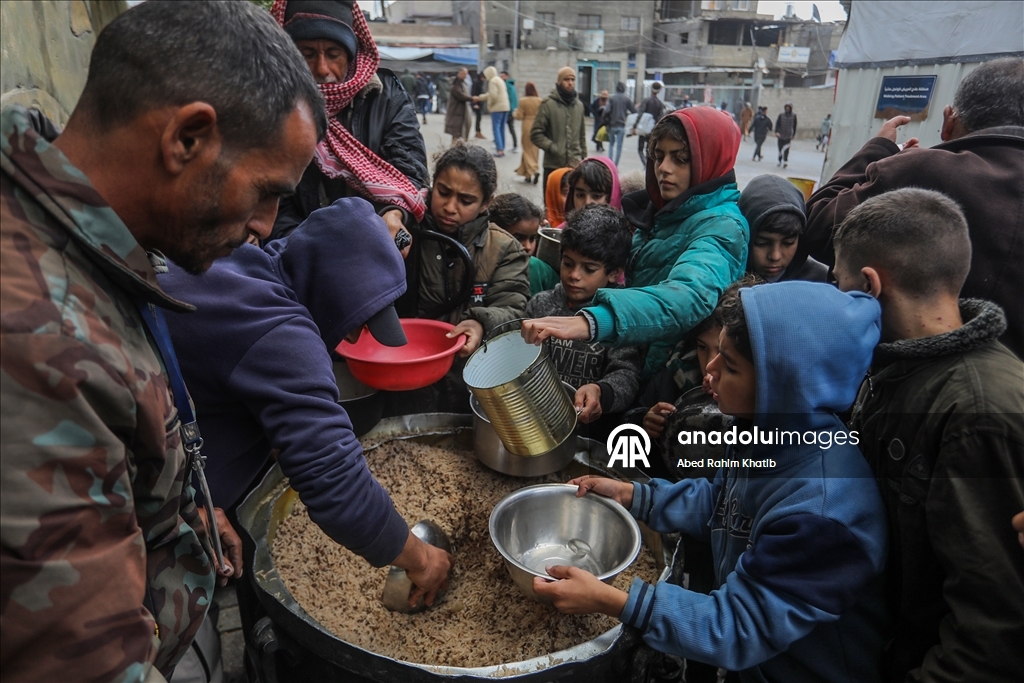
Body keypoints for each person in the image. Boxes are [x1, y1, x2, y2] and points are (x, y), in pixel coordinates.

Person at [0, 2, 325, 681]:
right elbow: (81, 660)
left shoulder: (77, 237)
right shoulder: (38, 343)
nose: (267, 226)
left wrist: (177, 505)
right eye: (266, 192)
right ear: (187, 139)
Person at [535, 281, 889, 683]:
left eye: (731, 366)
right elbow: (722, 503)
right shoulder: (766, 436)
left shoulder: (821, 512)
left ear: (786, 387)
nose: (710, 369)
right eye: (716, 351)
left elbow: (739, 627)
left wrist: (615, 601)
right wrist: (636, 496)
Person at [160, 200, 452, 633]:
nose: (353, 334)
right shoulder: (277, 330)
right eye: (358, 317)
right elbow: (337, 484)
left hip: (165, 487)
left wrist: (193, 500)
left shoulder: (235, 262)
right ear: (329, 285)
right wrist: (422, 559)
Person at [831, 188, 1024, 683]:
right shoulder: (901, 370)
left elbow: (991, 632)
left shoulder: (976, 412)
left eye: (839, 284)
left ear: (870, 286)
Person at [806, 57, 1024, 359]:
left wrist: (878, 151)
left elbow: (818, 225)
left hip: (913, 375)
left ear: (948, 122)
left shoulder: (922, 171)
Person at [524, 108, 749, 383]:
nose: (664, 168)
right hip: (643, 362)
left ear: (710, 161)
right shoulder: (662, 212)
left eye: (681, 159)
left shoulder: (722, 226)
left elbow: (688, 295)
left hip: (673, 379)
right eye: (659, 155)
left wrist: (595, 320)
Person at [269, 0, 428, 254]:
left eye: (333, 55)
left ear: (350, 56)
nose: (322, 68)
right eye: (307, 54)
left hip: (374, 249)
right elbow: (271, 194)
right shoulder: (273, 104)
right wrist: (300, 245)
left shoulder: (386, 97)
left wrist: (394, 214)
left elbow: (410, 170)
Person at [395, 143, 529, 410]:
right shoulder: (406, 233)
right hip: (409, 376)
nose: (450, 207)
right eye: (443, 192)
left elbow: (513, 308)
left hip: (471, 385)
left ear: (486, 203)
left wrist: (480, 323)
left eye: (466, 201)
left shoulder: (504, 249)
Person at [525, 205, 642, 433]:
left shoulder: (620, 316)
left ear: (613, 272)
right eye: (568, 263)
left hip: (590, 433)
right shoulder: (541, 305)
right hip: (536, 423)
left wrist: (600, 391)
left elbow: (626, 374)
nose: (574, 275)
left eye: (589, 269)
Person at [738, 175, 828, 282]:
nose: (775, 256)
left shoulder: (818, 281)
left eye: (788, 242)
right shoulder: (725, 278)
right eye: (762, 243)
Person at [490, 193, 559, 296]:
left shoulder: (540, 270)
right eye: (518, 238)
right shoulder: (483, 268)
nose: (528, 247)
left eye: (532, 239)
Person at [531, 66, 587, 190]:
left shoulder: (579, 106)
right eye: (566, 79)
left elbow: (582, 136)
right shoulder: (548, 104)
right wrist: (553, 148)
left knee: (572, 205)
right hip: (553, 164)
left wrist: (584, 160)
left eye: (572, 79)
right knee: (551, 204)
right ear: (559, 82)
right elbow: (536, 134)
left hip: (574, 165)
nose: (570, 83)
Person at [514, 81, 543, 184]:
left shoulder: (523, 101)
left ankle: (533, 170)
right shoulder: (540, 101)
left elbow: (519, 116)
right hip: (537, 125)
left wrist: (514, 113)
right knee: (534, 150)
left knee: (526, 149)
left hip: (527, 125)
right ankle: (527, 174)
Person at [602, 81, 637, 166]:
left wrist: (604, 119)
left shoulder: (612, 98)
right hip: (622, 125)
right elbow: (634, 111)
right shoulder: (626, 99)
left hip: (612, 125)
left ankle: (610, 164)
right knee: (619, 147)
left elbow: (606, 111)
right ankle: (615, 165)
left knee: (611, 145)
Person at [478, 66, 510, 157]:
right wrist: (481, 97)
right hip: (505, 107)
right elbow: (492, 94)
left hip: (497, 108)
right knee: (502, 129)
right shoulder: (499, 80)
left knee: (496, 129)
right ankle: (502, 149)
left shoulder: (492, 81)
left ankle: (499, 150)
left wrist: (489, 105)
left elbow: (493, 95)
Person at [635, 82, 667, 165]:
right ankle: (647, 165)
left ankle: (645, 164)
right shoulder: (660, 104)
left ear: (651, 89)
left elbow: (640, 113)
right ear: (659, 91)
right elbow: (661, 117)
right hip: (653, 129)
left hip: (643, 128)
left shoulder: (646, 100)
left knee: (640, 149)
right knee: (648, 149)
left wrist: (635, 125)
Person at [444, 67, 473, 142]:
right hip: (456, 114)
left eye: (466, 74)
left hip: (461, 113)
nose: (465, 76)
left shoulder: (462, 83)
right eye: (464, 74)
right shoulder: (455, 85)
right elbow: (460, 96)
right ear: (459, 73)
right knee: (457, 136)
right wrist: (472, 99)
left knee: (460, 135)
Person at [774, 103, 797, 168]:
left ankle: (785, 161)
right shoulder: (781, 115)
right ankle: (779, 160)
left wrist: (793, 134)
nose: (787, 109)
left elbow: (794, 126)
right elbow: (777, 124)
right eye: (786, 107)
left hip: (788, 135)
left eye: (788, 107)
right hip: (781, 135)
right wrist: (776, 132)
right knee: (780, 149)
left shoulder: (794, 116)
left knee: (786, 149)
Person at [501, 70, 519, 152]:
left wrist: (510, 110)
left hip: (508, 110)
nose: (502, 78)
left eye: (503, 76)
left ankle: (501, 145)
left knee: (503, 128)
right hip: (511, 110)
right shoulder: (511, 85)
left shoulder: (507, 85)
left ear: (507, 76)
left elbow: (510, 99)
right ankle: (515, 145)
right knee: (510, 128)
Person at [472, 70, 487, 138]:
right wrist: (475, 104)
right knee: (478, 118)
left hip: (480, 102)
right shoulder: (476, 82)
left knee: (479, 118)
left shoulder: (481, 82)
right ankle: (477, 131)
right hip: (477, 102)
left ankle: (478, 131)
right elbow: (474, 93)